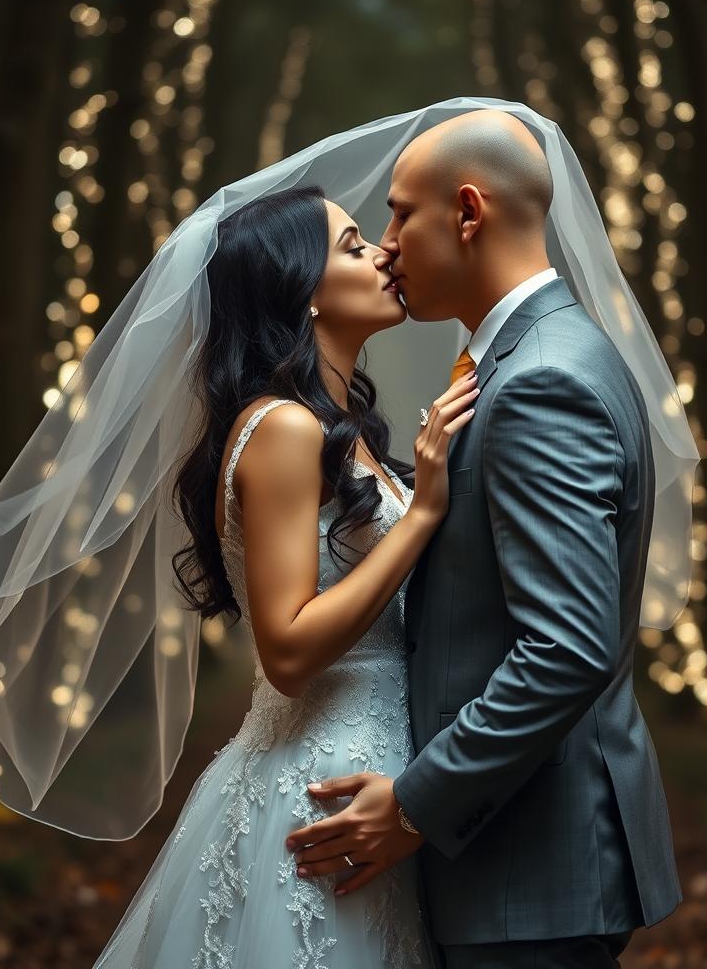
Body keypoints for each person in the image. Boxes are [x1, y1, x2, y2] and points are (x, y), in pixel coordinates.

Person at [285, 110, 683, 968]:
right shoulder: (525, 359)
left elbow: (568, 647)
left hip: (532, 872)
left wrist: (415, 805)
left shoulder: (542, 382)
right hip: (514, 865)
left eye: (400, 214)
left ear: (468, 213)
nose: (387, 245)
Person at [90, 183, 471, 967]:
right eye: (353, 244)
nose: (383, 254)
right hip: (321, 778)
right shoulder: (285, 428)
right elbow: (290, 654)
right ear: (301, 292)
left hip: (374, 768)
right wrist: (425, 514)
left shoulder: (343, 432)